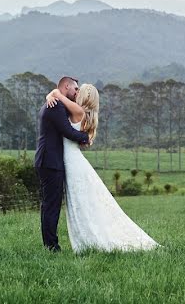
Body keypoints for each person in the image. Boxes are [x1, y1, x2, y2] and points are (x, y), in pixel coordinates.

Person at [45, 83, 159, 253]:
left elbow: (57, 94)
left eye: (78, 91)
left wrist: (51, 95)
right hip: (73, 161)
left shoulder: (77, 111)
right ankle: (85, 240)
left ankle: (86, 242)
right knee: (81, 201)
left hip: (72, 163)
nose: (75, 93)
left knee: (79, 202)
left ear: (83, 97)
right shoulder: (85, 115)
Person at [34, 76, 89, 252]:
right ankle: (51, 246)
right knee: (51, 205)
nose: (77, 92)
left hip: (49, 160)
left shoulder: (56, 102)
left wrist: (51, 94)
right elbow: (67, 131)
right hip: (50, 161)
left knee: (50, 204)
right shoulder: (56, 106)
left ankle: (50, 244)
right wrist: (86, 138)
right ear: (66, 87)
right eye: (75, 89)